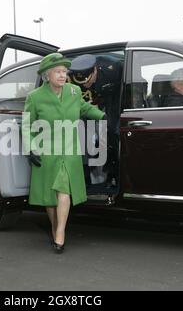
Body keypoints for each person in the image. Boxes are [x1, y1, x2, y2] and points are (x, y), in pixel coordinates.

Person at [22, 53, 105, 253]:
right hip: (46, 152)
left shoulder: (74, 91)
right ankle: (54, 226)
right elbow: (26, 125)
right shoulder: (35, 97)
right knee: (49, 199)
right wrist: (30, 148)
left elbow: (85, 109)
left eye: (64, 72)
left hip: (69, 152)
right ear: (46, 75)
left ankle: (60, 233)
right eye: (57, 72)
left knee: (64, 191)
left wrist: (104, 116)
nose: (62, 75)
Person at [68, 54, 122, 187]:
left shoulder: (113, 69)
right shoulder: (70, 77)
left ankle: (113, 174)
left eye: (88, 80)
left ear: (95, 70)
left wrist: (105, 114)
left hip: (110, 101)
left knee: (113, 129)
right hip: (85, 108)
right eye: (82, 82)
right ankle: (86, 178)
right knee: (82, 135)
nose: (86, 84)